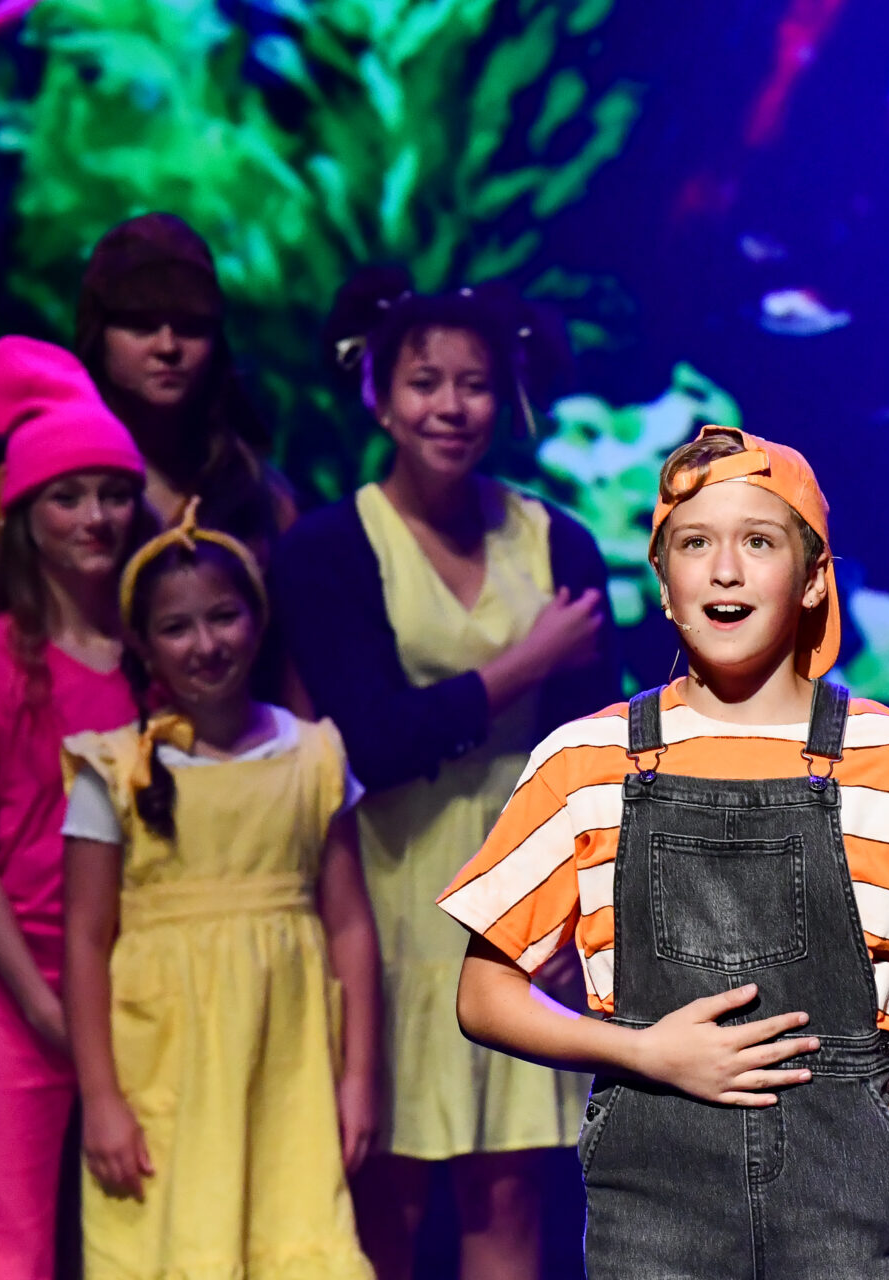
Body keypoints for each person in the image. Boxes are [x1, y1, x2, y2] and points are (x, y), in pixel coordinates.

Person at [444, 426, 889, 1277]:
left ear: (813, 577)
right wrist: (641, 1051)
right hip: (654, 1198)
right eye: (695, 544)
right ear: (664, 583)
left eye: (759, 542)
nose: (725, 569)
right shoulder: (587, 760)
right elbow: (483, 994)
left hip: (843, 1197)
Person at [269, 269, 622, 1280]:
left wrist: (581, 911)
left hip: (519, 905)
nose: (451, 406)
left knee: (506, 1193)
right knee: (386, 1195)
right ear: (380, 397)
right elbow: (371, 741)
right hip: (381, 901)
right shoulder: (329, 549)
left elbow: (601, 755)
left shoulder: (559, 542)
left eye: (474, 383)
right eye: (425, 382)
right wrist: (523, 662)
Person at [60, 501, 380, 1279]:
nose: (205, 645)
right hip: (165, 1066)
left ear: (258, 622)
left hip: (288, 1064)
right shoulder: (115, 770)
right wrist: (100, 1097)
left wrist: (359, 1077)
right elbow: (85, 940)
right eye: (176, 628)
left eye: (224, 617)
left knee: (295, 1243)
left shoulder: (312, 756)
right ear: (143, 645)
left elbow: (350, 926)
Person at [0, 335, 158, 1280]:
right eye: (68, 496)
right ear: (26, 516)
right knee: (12, 1249)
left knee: (151, 1235)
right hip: (17, 984)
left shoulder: (160, 658)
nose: (95, 517)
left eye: (112, 493)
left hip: (145, 980)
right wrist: (36, 1001)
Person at [0, 212, 294, 636]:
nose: (168, 347)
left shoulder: (260, 493)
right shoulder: (22, 481)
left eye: (191, 327)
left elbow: (291, 652)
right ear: (99, 333)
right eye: (141, 325)